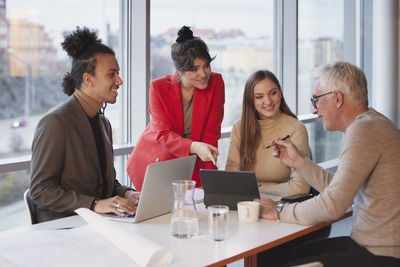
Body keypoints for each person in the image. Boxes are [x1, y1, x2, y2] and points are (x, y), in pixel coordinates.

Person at [255, 61, 400, 266]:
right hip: (369, 248)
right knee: (285, 254)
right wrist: (298, 162)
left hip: (380, 257)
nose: (314, 111)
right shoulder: (372, 124)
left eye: (316, 100)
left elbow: (333, 205)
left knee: (277, 259)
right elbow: (342, 189)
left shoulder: (364, 130)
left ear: (338, 98)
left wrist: (279, 211)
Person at [30, 27, 139, 223]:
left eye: (118, 74)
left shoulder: (103, 123)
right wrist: (94, 204)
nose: (119, 81)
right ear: (88, 79)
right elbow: (41, 190)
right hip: (64, 227)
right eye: (111, 74)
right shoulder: (55, 123)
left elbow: (106, 184)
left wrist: (126, 194)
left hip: (99, 224)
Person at [126, 26, 225, 191]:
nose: (203, 73)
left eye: (206, 65)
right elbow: (163, 134)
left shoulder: (216, 83)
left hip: (190, 162)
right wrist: (195, 146)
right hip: (157, 159)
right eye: (194, 69)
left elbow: (211, 134)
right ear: (180, 71)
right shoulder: (158, 88)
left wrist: (210, 183)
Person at [225, 70, 310, 197]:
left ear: (280, 93)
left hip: (284, 205)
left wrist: (258, 187)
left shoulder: (296, 129)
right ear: (250, 100)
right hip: (247, 204)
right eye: (259, 97)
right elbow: (231, 181)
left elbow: (300, 188)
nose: (268, 101)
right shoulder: (239, 128)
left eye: (273, 93)